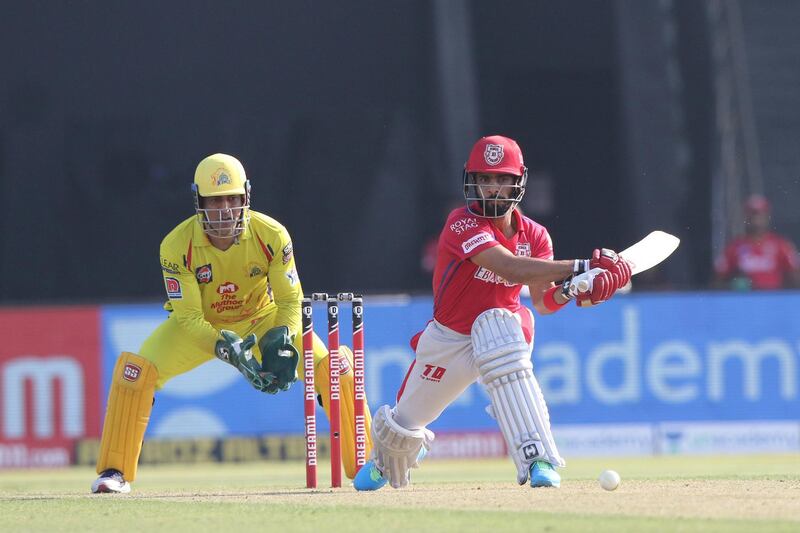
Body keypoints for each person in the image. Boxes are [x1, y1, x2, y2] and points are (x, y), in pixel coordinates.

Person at [354, 135, 631, 491]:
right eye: (485, 179)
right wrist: (580, 268)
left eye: (502, 179)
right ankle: (393, 457)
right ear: (473, 181)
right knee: (399, 434)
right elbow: (510, 268)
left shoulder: (536, 235)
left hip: (503, 330)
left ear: (518, 182)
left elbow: (544, 303)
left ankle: (539, 460)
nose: (493, 189)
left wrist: (575, 289)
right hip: (449, 338)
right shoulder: (461, 224)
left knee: (498, 328)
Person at [92, 153, 372, 493]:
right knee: (135, 372)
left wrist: (281, 337)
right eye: (215, 200)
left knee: (334, 366)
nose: (224, 210)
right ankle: (113, 472)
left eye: (232, 199)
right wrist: (227, 350)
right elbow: (189, 318)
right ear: (199, 201)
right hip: (201, 328)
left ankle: (368, 463)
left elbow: (289, 302)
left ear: (245, 198)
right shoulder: (176, 246)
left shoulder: (272, 235)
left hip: (263, 317)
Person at [714, 195, 800, 290]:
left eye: (759, 213)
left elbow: (796, 276)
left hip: (773, 299)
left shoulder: (781, 245)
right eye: (752, 213)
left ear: (767, 216)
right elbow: (717, 280)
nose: (755, 217)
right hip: (744, 300)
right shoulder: (734, 247)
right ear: (745, 217)